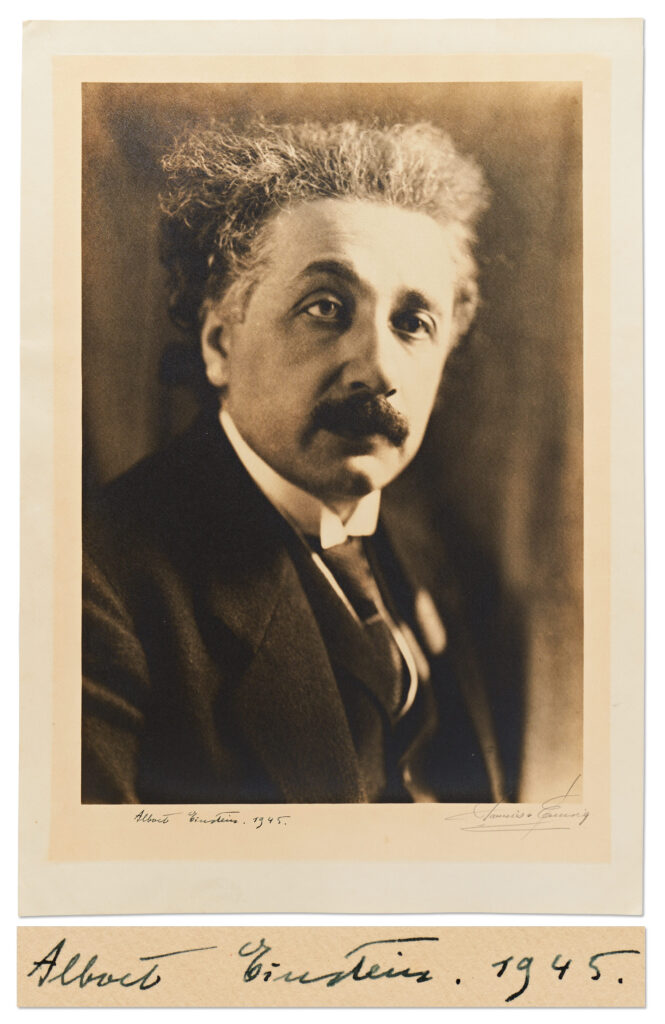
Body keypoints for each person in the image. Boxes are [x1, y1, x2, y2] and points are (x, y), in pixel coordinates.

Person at [82, 118, 523, 804]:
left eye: (412, 323)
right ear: (219, 342)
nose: (377, 369)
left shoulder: (435, 553)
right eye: (325, 306)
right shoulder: (97, 585)